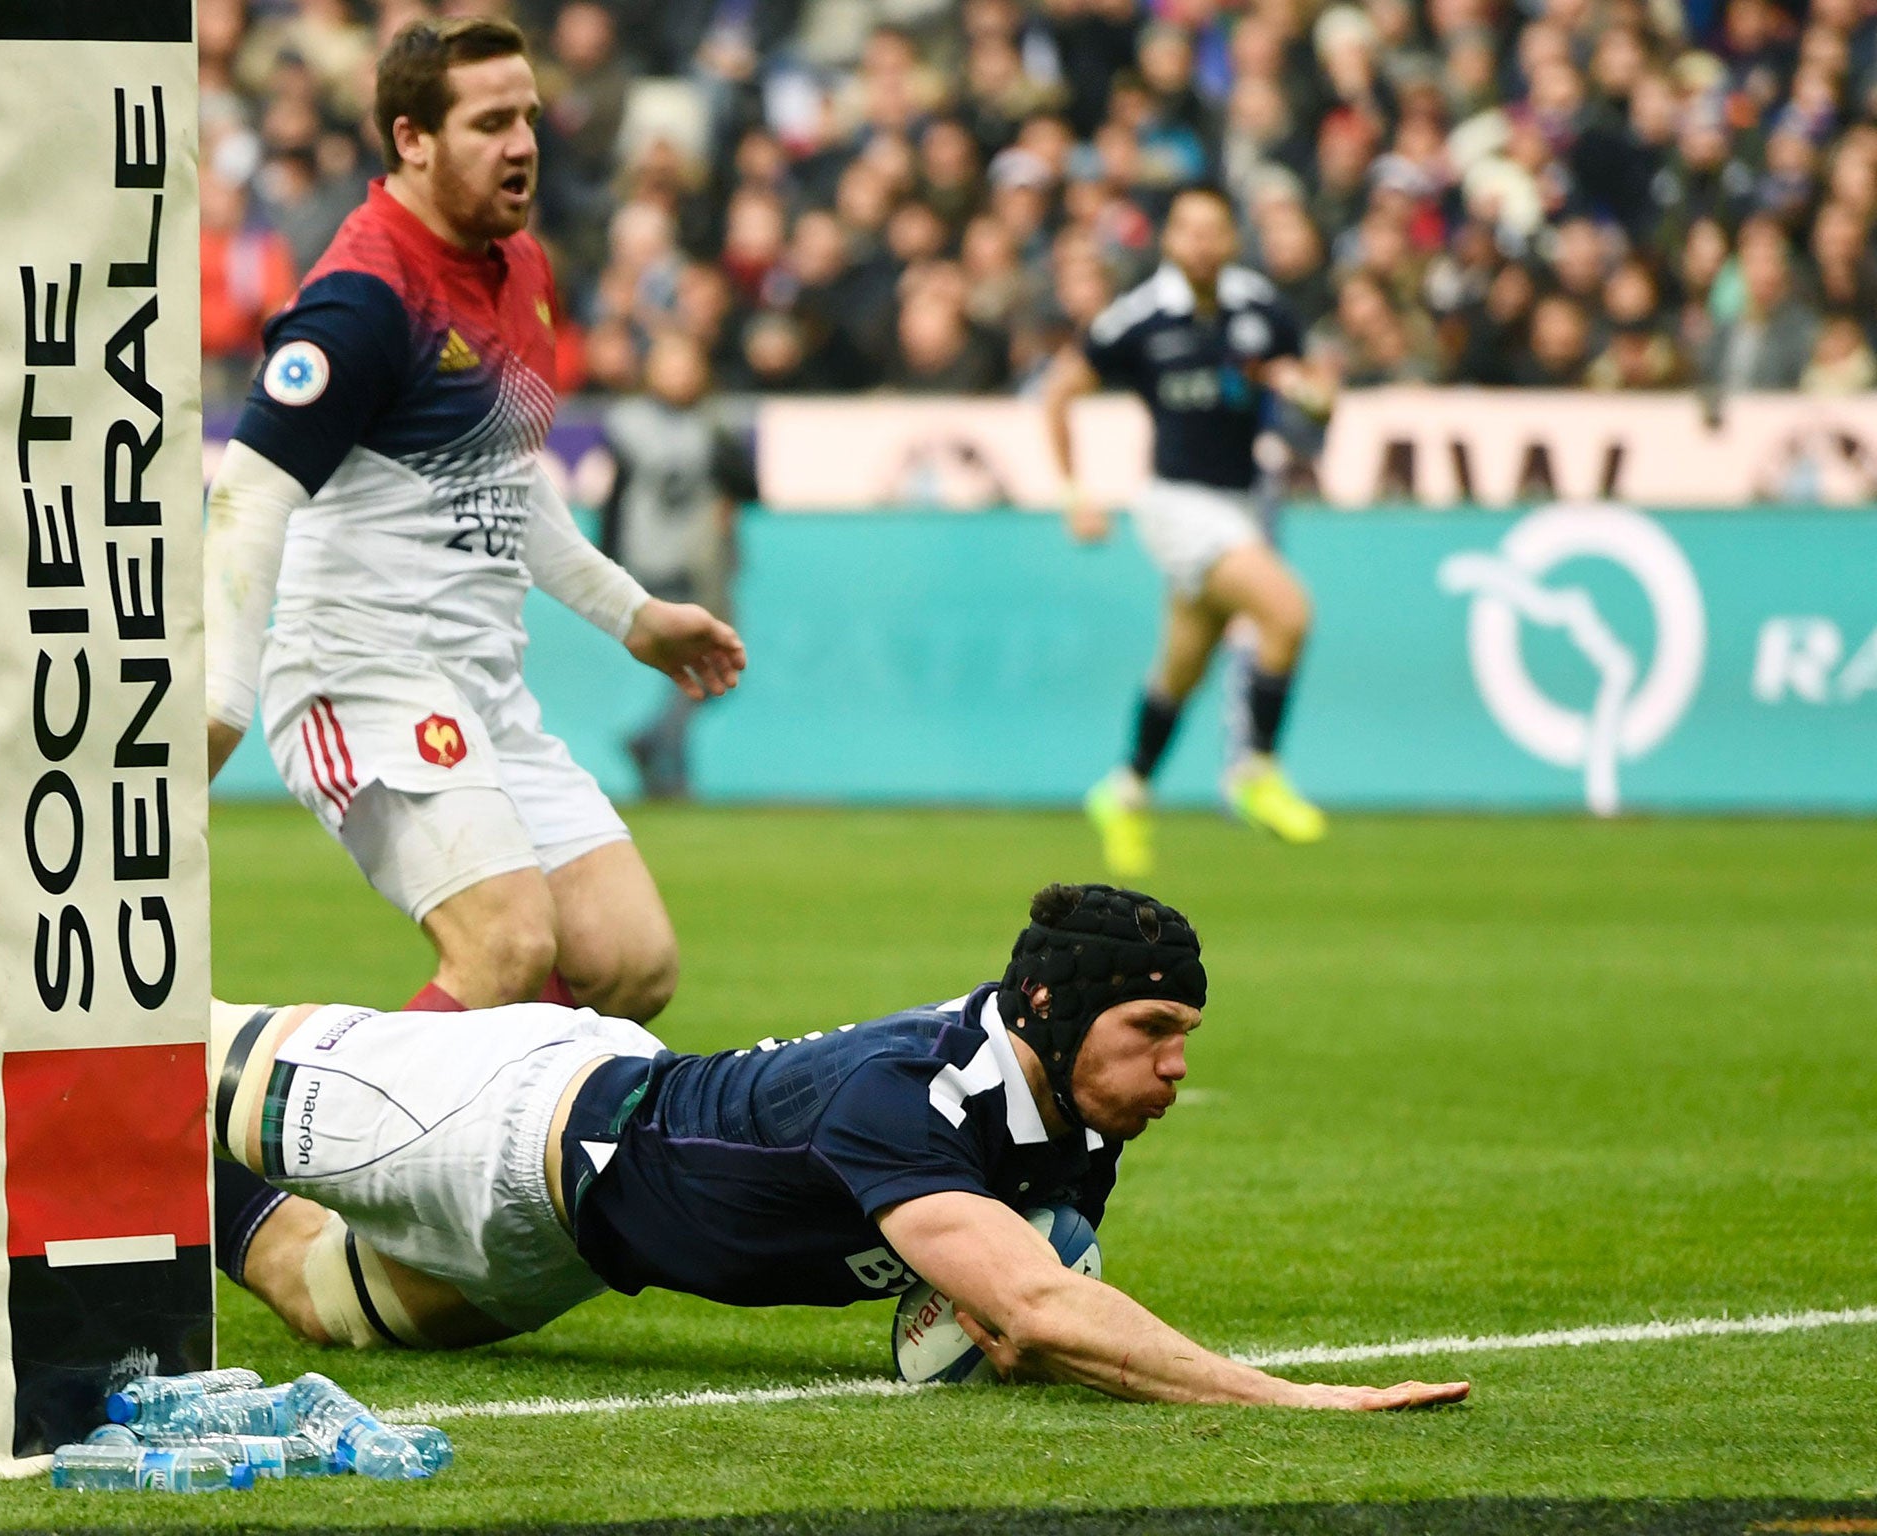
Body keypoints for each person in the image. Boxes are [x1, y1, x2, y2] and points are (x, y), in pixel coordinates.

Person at [207, 883, 1470, 1412]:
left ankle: (133, 1180)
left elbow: (1010, 1324)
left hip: (575, 1247)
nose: (1175, 1066)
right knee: (161, 1051)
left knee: (320, 1301)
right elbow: (1030, 1305)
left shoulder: (1076, 1125)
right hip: (496, 1117)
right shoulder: (904, 1094)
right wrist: (1298, 1400)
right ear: (1054, 1011)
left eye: (1185, 1033)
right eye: (1151, 1030)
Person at [202, 18, 746, 1021]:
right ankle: (316, 1151)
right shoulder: (363, 298)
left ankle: (466, 1159)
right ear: (412, 138)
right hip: (356, 673)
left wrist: (631, 614)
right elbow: (248, 493)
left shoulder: (523, 271)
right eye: (491, 122)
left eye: (528, 117)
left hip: (483, 687)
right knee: (503, 943)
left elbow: (506, 479)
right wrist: (222, 700)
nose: (523, 143)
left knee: (629, 964)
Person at [1042, 186, 1336, 874]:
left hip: (1242, 498)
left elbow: (1318, 394)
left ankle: (1125, 788)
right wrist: (1075, 494)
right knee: (1288, 613)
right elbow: (1060, 393)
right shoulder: (1139, 319)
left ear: (1232, 238)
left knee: (1182, 666)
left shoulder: (1261, 306)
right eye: (1189, 230)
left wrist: (1308, 393)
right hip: (1177, 505)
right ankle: (1254, 770)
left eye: (1215, 230)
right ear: (1169, 240)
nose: (1202, 243)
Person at [599, 331, 757, 800]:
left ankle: (659, 743)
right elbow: (616, 496)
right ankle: (662, 747)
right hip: (651, 557)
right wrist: (608, 563)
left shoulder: (717, 420)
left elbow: (749, 487)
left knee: (717, 663)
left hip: (705, 559)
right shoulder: (630, 422)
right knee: (698, 663)